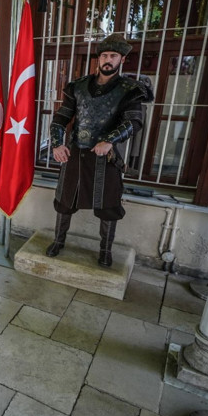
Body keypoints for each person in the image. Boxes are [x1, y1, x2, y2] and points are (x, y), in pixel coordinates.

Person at [46, 33, 146, 267]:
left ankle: (105, 250)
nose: (107, 60)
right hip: (75, 153)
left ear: (122, 59)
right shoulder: (78, 87)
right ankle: (58, 241)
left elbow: (134, 122)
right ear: (98, 59)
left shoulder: (129, 89)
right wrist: (57, 144)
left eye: (113, 56)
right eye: (104, 56)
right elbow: (61, 118)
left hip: (105, 156)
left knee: (109, 205)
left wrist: (110, 140)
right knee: (64, 200)